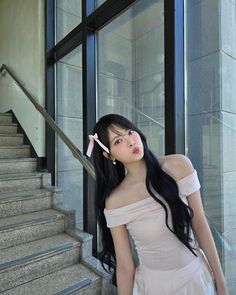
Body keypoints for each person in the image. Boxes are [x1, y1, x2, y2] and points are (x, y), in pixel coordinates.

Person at [86, 114, 228, 295]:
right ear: (109, 154)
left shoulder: (179, 165)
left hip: (196, 279)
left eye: (130, 132)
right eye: (118, 141)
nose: (130, 141)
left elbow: (200, 224)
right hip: (153, 287)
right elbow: (124, 265)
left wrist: (221, 283)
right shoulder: (115, 201)